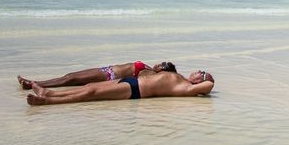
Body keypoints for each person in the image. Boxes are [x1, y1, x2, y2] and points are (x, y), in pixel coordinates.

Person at [27, 69, 214, 105]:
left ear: (200, 81)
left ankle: (47, 101)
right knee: (91, 85)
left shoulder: (188, 88)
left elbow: (210, 85)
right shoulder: (179, 77)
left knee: (91, 93)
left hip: (136, 91)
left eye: (202, 72)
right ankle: (48, 92)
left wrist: (207, 79)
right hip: (131, 81)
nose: (198, 70)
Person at [18, 60, 175, 89]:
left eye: (162, 65)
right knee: (71, 76)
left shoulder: (149, 75)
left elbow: (132, 81)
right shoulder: (148, 69)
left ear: (163, 72)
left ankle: (34, 83)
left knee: (71, 79)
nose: (159, 64)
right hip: (107, 70)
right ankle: (37, 83)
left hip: (109, 77)